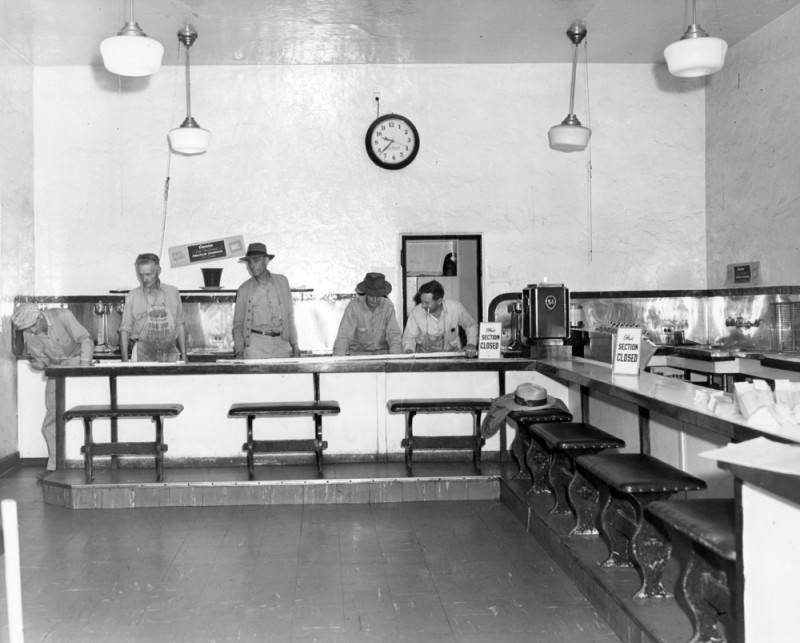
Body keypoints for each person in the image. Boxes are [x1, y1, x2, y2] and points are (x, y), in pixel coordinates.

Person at [12, 303, 94, 475]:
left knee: (86, 413)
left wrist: (85, 367)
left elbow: (85, 339)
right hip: (56, 369)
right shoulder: (30, 334)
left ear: (40, 316)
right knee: (51, 419)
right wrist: (39, 364)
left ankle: (85, 462)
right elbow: (43, 359)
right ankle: (55, 466)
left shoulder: (62, 316)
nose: (32, 331)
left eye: (33, 326)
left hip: (78, 362)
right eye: (28, 329)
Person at [233, 242, 300, 358]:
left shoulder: (282, 282)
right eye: (249, 262)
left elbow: (290, 316)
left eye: (256, 261)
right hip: (256, 346)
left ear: (266, 261)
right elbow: (238, 324)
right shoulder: (244, 289)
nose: (252, 266)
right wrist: (239, 351)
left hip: (282, 345)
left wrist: (295, 345)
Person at [119, 253, 187, 362]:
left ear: (158, 271)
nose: (144, 279)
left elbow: (180, 325)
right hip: (142, 353)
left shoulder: (173, 292)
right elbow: (124, 330)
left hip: (169, 353)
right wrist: (124, 361)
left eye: (148, 274)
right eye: (140, 274)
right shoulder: (132, 296)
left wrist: (184, 355)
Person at [402, 279, 479, 357]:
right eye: (422, 301)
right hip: (425, 358)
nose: (423, 306)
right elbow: (409, 337)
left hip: (452, 357)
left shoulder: (455, 308)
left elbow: (471, 326)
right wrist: (409, 350)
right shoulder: (416, 312)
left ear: (439, 301)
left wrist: (471, 344)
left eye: (427, 303)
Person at [332, 272, 402, 356]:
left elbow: (393, 334)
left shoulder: (388, 306)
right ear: (366, 293)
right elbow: (344, 334)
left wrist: (396, 358)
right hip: (358, 355)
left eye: (378, 296)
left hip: (382, 354)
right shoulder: (354, 307)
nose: (375, 300)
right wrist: (338, 360)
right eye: (372, 296)